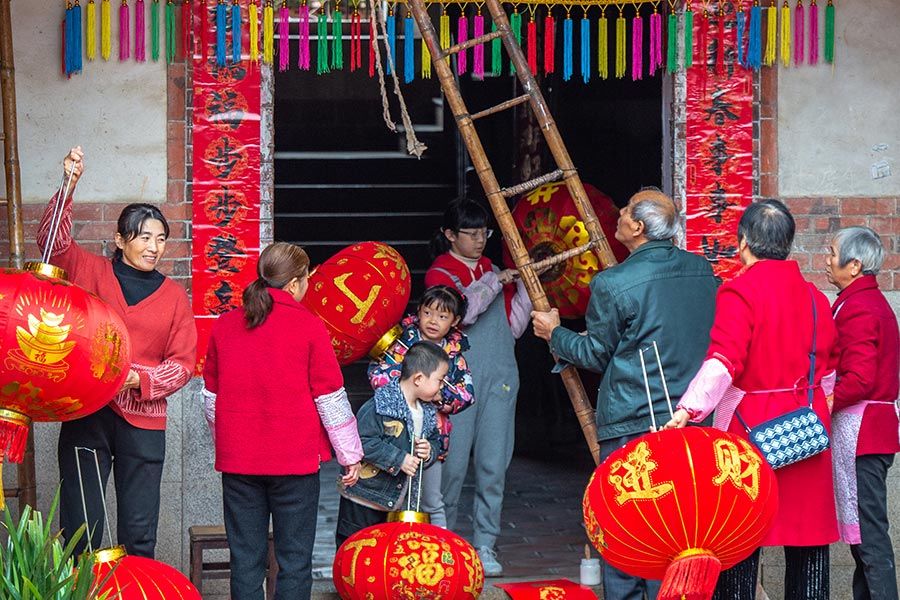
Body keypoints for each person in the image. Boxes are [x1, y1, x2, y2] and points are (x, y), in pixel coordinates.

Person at [531, 188, 718, 600]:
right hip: (693, 419)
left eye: (626, 208)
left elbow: (595, 354)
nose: (617, 212)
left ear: (637, 227)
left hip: (637, 417)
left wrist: (553, 333)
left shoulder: (614, 282)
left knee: (626, 523)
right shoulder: (703, 271)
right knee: (677, 523)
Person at [665, 200, 839, 600]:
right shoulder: (816, 297)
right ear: (788, 244)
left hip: (752, 431)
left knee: (740, 538)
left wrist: (688, 409)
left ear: (743, 242)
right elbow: (829, 368)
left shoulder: (739, 291)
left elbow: (724, 360)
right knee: (808, 544)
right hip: (807, 430)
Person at [36, 147, 197, 558]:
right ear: (121, 239)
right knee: (81, 525)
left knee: (139, 531)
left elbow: (182, 365)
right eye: (144, 236)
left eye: (161, 239)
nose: (154, 246)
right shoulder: (89, 270)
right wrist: (68, 186)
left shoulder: (174, 296)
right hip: (86, 414)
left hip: (143, 423)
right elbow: (51, 243)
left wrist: (136, 378)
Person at [202, 242, 363, 600]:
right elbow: (330, 397)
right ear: (294, 284)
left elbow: (210, 398)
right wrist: (349, 455)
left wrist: (227, 441)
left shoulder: (226, 326)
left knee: (245, 559)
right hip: (295, 465)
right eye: (307, 280)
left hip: (240, 463)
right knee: (294, 560)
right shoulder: (309, 327)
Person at [424, 199, 532, 576]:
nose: (479, 240)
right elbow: (464, 312)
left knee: (493, 466)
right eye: (470, 233)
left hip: (500, 376)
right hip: (454, 384)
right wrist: (494, 282)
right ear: (450, 235)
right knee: (451, 468)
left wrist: (527, 289)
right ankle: (445, 543)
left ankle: (485, 544)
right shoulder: (441, 274)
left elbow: (513, 326)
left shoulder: (493, 269)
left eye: (484, 232)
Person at [825, 226, 899, 600]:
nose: (826, 259)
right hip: (869, 430)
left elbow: (859, 379)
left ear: (854, 265)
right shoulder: (860, 302)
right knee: (864, 536)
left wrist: (823, 403)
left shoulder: (860, 308)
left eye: (832, 252)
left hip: (864, 432)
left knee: (869, 536)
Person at [367, 285, 475, 528]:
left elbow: (467, 395)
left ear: (455, 321)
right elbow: (377, 375)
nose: (433, 321)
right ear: (419, 312)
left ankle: (438, 553)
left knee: (431, 500)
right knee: (392, 498)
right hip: (394, 436)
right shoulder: (401, 343)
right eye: (428, 313)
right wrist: (411, 387)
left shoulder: (455, 356)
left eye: (443, 316)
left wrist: (435, 393)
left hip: (431, 439)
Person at [335, 342, 446, 547]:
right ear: (419, 378)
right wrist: (399, 459)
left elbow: (435, 441)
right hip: (363, 498)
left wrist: (430, 450)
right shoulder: (381, 405)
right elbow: (361, 441)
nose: (442, 386)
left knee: (382, 556)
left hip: (395, 503)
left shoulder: (427, 411)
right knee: (354, 551)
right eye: (439, 380)